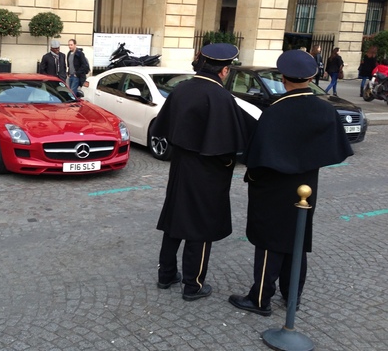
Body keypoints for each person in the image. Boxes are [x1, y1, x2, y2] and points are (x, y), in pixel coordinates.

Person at [228, 49, 353, 317]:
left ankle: (260, 298)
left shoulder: (276, 110)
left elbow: (257, 157)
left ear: (283, 78)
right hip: (307, 186)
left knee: (269, 241)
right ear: (311, 77)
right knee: (298, 237)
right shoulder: (324, 108)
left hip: (274, 188)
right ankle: (292, 294)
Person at [151, 43, 253, 301]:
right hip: (207, 170)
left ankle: (166, 274)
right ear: (224, 70)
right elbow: (230, 144)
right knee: (201, 225)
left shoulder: (181, 89)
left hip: (180, 166)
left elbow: (161, 128)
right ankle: (193, 284)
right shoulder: (221, 97)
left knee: (175, 219)